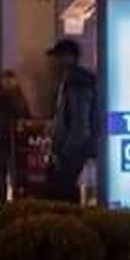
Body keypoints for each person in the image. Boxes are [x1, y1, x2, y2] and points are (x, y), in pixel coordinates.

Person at [45, 38, 98, 203]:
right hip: (68, 158)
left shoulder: (77, 84)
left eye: (56, 57)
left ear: (68, 58)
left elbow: (79, 127)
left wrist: (65, 157)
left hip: (72, 161)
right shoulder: (67, 83)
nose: (52, 63)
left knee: (65, 200)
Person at [0, 70, 32, 206]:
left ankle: (5, 199)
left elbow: (24, 116)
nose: (7, 83)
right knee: (2, 171)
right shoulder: (5, 97)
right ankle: (2, 199)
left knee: (8, 171)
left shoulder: (11, 98)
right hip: (4, 138)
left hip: (9, 138)